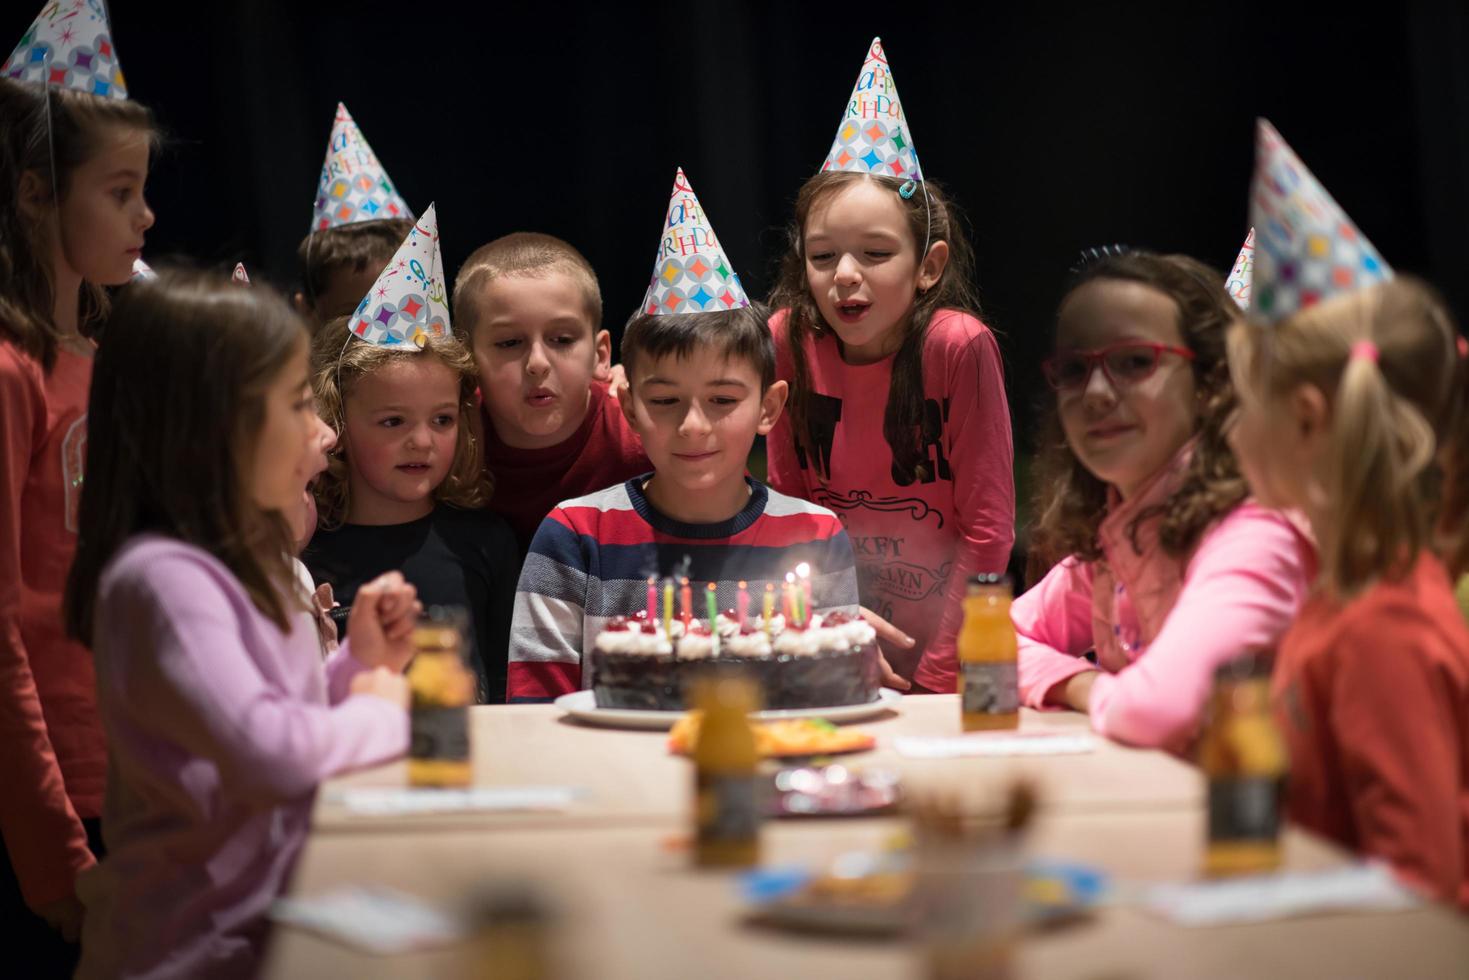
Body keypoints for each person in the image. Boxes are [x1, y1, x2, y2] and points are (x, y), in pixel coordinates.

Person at [62, 271, 416, 977]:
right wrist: (382, 707)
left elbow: (288, 713)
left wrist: (352, 665)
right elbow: (272, 754)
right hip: (186, 954)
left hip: (266, 936)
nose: (324, 433)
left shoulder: (251, 564)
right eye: (296, 405)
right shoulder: (164, 580)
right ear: (210, 428)